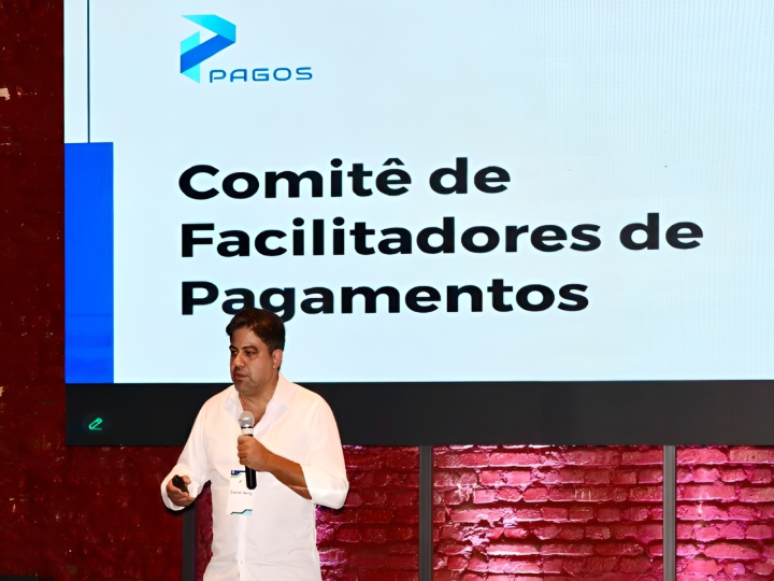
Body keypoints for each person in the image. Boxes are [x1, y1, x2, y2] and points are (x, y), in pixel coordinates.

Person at [161, 308, 349, 580]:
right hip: (224, 574)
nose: (237, 362)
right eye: (233, 352)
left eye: (249, 353)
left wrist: (270, 462)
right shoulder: (213, 410)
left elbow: (335, 491)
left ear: (275, 358)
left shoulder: (310, 409)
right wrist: (176, 490)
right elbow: (187, 472)